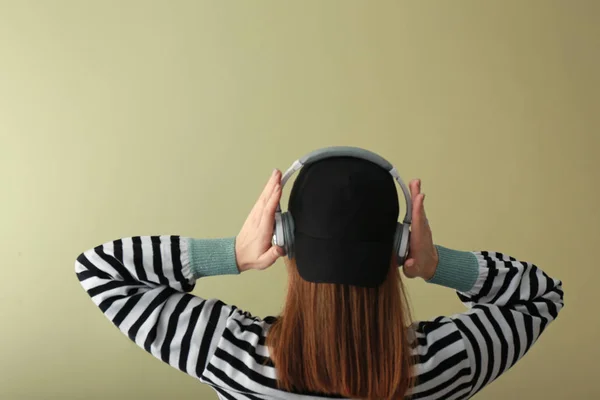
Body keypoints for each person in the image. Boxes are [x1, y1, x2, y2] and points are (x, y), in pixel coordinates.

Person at [75, 151, 564, 400]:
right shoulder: (439, 367)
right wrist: (437, 265)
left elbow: (101, 270)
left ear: (285, 242)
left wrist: (233, 254)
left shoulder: (234, 357)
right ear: (397, 250)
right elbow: (540, 296)